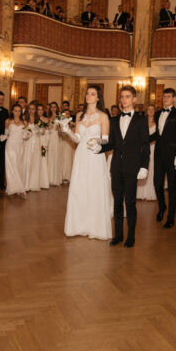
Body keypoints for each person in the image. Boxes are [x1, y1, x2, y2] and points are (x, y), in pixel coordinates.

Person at [94, 85, 150, 248]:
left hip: (133, 167)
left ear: (134, 99)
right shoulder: (114, 120)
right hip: (116, 166)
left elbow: (145, 145)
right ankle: (118, 235)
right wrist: (99, 148)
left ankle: (131, 236)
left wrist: (144, 167)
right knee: (117, 202)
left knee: (130, 203)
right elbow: (111, 144)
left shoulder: (141, 120)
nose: (123, 99)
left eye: (127, 96)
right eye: (121, 96)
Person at [63, 86, 111, 240]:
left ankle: (95, 227)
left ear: (98, 98)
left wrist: (97, 140)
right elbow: (77, 138)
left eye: (93, 94)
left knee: (94, 189)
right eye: (87, 93)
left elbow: (106, 139)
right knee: (79, 188)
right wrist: (67, 130)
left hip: (95, 154)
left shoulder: (103, 116)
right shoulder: (79, 115)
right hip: (81, 155)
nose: (88, 96)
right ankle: (77, 225)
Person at [151, 88, 176, 228]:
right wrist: (143, 140)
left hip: (173, 156)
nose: (165, 99)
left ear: (173, 99)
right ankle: (162, 207)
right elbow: (158, 134)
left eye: (168, 96)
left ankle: (171, 217)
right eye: (164, 96)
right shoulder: (158, 113)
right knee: (157, 184)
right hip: (159, 155)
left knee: (172, 187)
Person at [1, 104, 26, 198]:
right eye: (15, 110)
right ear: (12, 111)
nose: (17, 113)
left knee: (18, 166)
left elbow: (26, 133)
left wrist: (27, 135)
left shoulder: (24, 122)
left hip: (20, 145)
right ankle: (13, 188)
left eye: (19, 111)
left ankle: (19, 188)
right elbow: (6, 133)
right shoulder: (8, 121)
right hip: (10, 145)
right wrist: (3, 137)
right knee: (11, 166)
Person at [137, 104, 157, 201]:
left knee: (152, 169)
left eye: (152, 109)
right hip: (143, 149)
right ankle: (140, 194)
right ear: (146, 111)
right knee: (142, 168)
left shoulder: (157, 123)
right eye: (149, 109)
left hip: (154, 148)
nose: (150, 111)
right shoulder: (141, 122)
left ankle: (150, 194)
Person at [22, 102, 41, 192]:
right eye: (29, 109)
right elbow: (23, 131)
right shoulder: (24, 119)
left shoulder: (38, 119)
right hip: (28, 142)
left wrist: (40, 131)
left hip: (36, 142)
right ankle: (25, 184)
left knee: (35, 162)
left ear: (35, 110)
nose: (31, 111)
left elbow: (42, 131)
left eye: (33, 109)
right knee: (27, 161)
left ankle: (33, 184)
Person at [0, 91, 9, 190]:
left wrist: (5, 135)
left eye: (2, 99)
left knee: (1, 164)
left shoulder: (5, 111)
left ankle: (1, 184)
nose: (1, 101)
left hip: (2, 140)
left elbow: (7, 125)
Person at [36, 104, 50, 189]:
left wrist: (46, 144)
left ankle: (43, 182)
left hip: (43, 143)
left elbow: (47, 133)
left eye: (41, 109)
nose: (40, 111)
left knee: (43, 159)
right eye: (38, 109)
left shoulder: (46, 120)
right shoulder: (34, 119)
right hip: (35, 141)